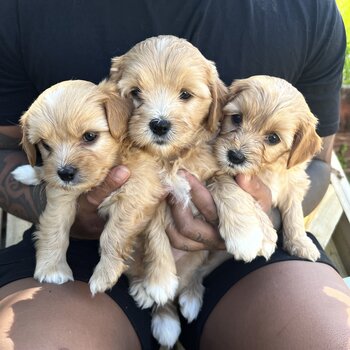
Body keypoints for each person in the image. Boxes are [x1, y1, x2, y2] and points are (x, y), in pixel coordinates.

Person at [0, 0, 349, 349]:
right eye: (136, 94)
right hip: (82, 245)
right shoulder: (22, 10)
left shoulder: (309, 11)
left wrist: (264, 209)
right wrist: (68, 208)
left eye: (185, 95)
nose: (160, 117)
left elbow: (315, 163)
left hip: (239, 251)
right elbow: (11, 150)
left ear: (215, 103)